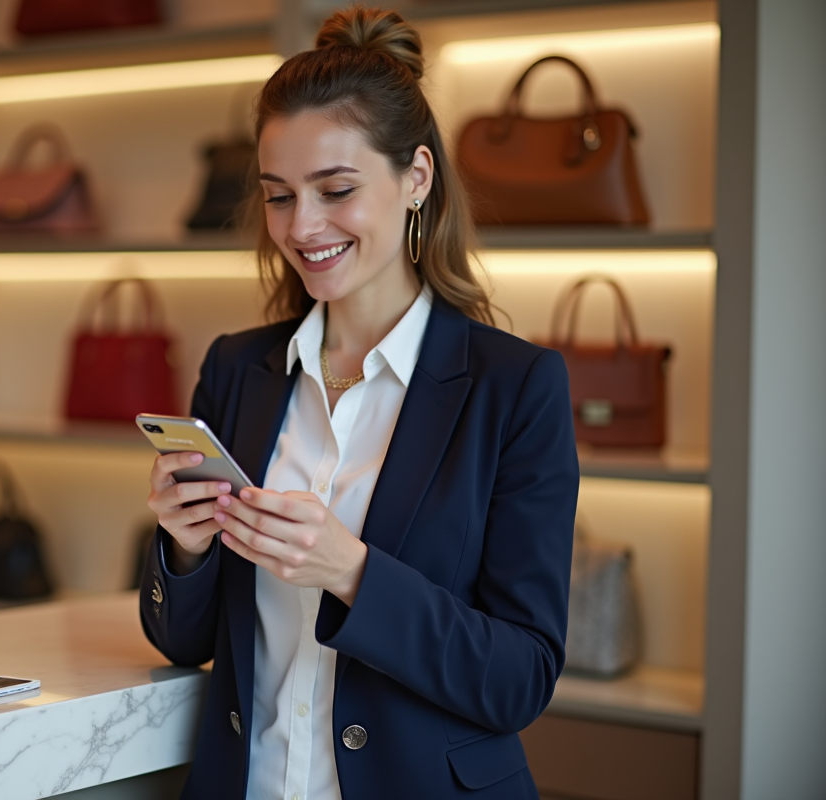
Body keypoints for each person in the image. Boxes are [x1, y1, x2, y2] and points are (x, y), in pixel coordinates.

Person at [140, 7, 579, 798]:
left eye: (335, 189)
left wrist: (353, 572)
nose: (302, 227)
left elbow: (522, 676)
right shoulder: (239, 369)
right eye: (278, 196)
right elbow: (183, 641)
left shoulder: (515, 388)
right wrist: (186, 549)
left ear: (415, 178)